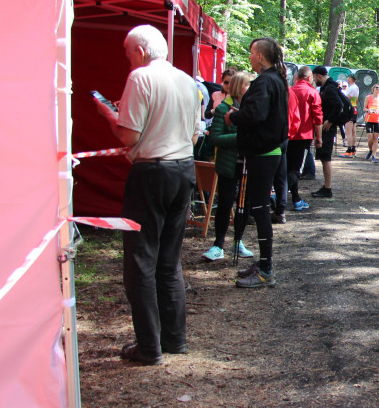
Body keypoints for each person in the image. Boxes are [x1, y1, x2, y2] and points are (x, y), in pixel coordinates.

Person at [95, 24, 202, 365]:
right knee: (169, 261)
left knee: (141, 262)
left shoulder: (140, 77)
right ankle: (174, 339)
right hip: (183, 169)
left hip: (152, 173)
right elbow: (195, 135)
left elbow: (128, 136)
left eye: (128, 54)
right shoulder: (187, 81)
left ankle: (149, 347)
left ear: (140, 52)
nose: (129, 60)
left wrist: (110, 116)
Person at [228, 37, 289, 288]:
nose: (250, 57)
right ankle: (264, 264)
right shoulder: (276, 79)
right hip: (266, 151)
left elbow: (256, 114)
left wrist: (234, 117)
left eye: (252, 53)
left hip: (264, 153)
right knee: (259, 208)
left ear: (261, 57)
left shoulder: (266, 81)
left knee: (261, 209)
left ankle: (266, 269)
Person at [201, 71, 256, 262]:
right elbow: (215, 137)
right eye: (247, 85)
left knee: (245, 204)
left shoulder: (252, 109)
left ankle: (238, 241)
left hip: (248, 165)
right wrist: (241, 138)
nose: (250, 88)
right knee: (225, 202)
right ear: (240, 87)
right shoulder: (223, 108)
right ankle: (218, 244)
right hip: (228, 164)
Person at [285, 66, 323, 211]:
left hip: (288, 134)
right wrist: (319, 137)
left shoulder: (290, 90)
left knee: (289, 167)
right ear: (309, 78)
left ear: (297, 77)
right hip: (303, 135)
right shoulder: (312, 92)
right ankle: (279, 197)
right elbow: (317, 117)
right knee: (296, 169)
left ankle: (295, 198)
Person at [311, 68, 342, 199]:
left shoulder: (329, 88)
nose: (313, 80)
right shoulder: (328, 87)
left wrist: (330, 120)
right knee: (324, 158)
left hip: (327, 128)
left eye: (314, 77)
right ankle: (326, 187)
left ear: (318, 76)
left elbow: (338, 105)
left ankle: (327, 188)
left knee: (326, 157)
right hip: (325, 126)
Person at [363, 83, 379, 162]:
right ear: (373, 88)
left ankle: (374, 155)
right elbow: (364, 108)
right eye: (376, 87)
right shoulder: (368, 97)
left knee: (376, 138)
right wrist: (368, 110)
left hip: (378, 120)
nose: (377, 89)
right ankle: (370, 150)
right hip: (369, 119)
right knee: (370, 138)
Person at [341, 74, 360, 157]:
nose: (347, 79)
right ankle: (353, 149)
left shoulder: (352, 88)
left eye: (348, 78)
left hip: (349, 110)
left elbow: (346, 99)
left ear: (351, 79)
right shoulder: (355, 87)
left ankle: (349, 150)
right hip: (354, 109)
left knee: (348, 131)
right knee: (353, 131)